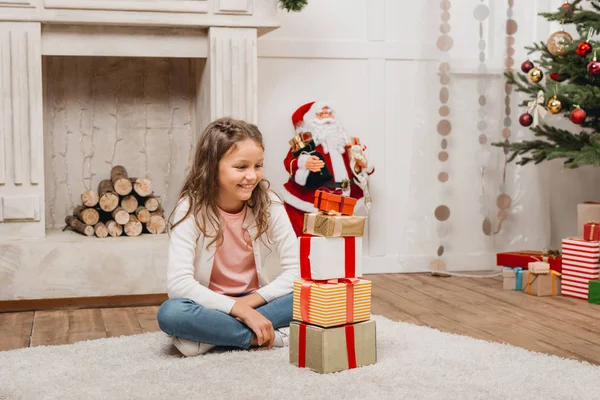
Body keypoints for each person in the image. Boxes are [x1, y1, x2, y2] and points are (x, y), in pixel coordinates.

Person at [157, 117, 299, 357]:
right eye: (241, 167)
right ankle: (265, 336)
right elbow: (179, 285)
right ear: (213, 167)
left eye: (258, 165)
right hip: (210, 304)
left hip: (258, 299)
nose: (252, 176)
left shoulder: (270, 202)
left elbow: (297, 271)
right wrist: (236, 309)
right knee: (171, 313)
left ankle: (212, 338)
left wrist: (248, 305)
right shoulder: (190, 209)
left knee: (317, 295)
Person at [280, 101, 375, 236]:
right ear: (311, 120)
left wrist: (361, 166)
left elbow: (357, 168)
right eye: (321, 114)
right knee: (315, 239)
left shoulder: (345, 142)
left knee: (340, 238)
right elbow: (289, 161)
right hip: (315, 199)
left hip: (345, 198)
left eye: (329, 113)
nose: (327, 117)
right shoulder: (306, 144)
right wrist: (305, 162)